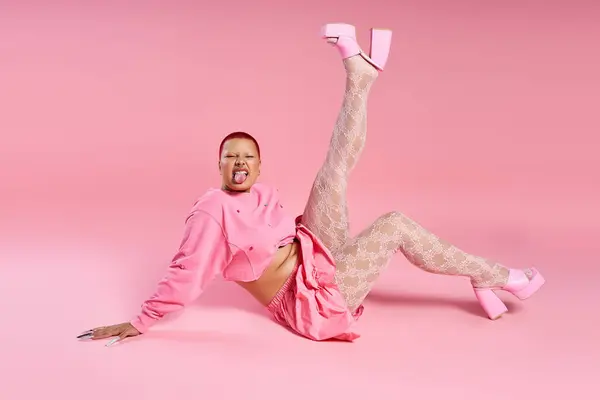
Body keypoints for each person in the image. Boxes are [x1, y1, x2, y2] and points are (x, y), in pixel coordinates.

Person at [78, 22, 545, 346]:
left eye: (248, 156)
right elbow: (187, 270)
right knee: (394, 224)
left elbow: (288, 226)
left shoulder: (261, 194)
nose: (239, 162)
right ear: (218, 166)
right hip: (310, 299)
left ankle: (360, 77)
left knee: (333, 172)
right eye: (230, 157)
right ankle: (498, 277)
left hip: (314, 251)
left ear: (259, 167)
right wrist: (141, 321)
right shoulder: (212, 210)